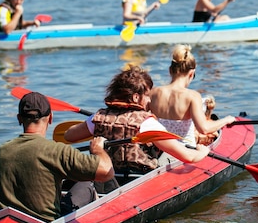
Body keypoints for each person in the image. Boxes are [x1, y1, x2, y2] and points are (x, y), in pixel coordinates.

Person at [64, 66, 209, 190]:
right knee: (170, 155)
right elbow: (189, 157)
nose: (149, 100)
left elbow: (68, 136)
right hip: (138, 180)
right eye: (147, 95)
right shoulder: (146, 123)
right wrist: (202, 151)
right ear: (135, 98)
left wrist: (101, 133)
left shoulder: (98, 117)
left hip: (110, 176)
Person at [0, 91, 114, 222]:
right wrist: (97, 149)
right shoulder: (57, 151)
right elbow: (107, 172)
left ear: (19, 118)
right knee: (86, 184)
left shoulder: (1, 152)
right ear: (50, 118)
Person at [149, 44, 236, 146]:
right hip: (185, 151)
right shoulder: (192, 96)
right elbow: (204, 129)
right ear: (191, 73)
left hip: (161, 150)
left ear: (170, 70)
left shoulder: (153, 92)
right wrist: (226, 120)